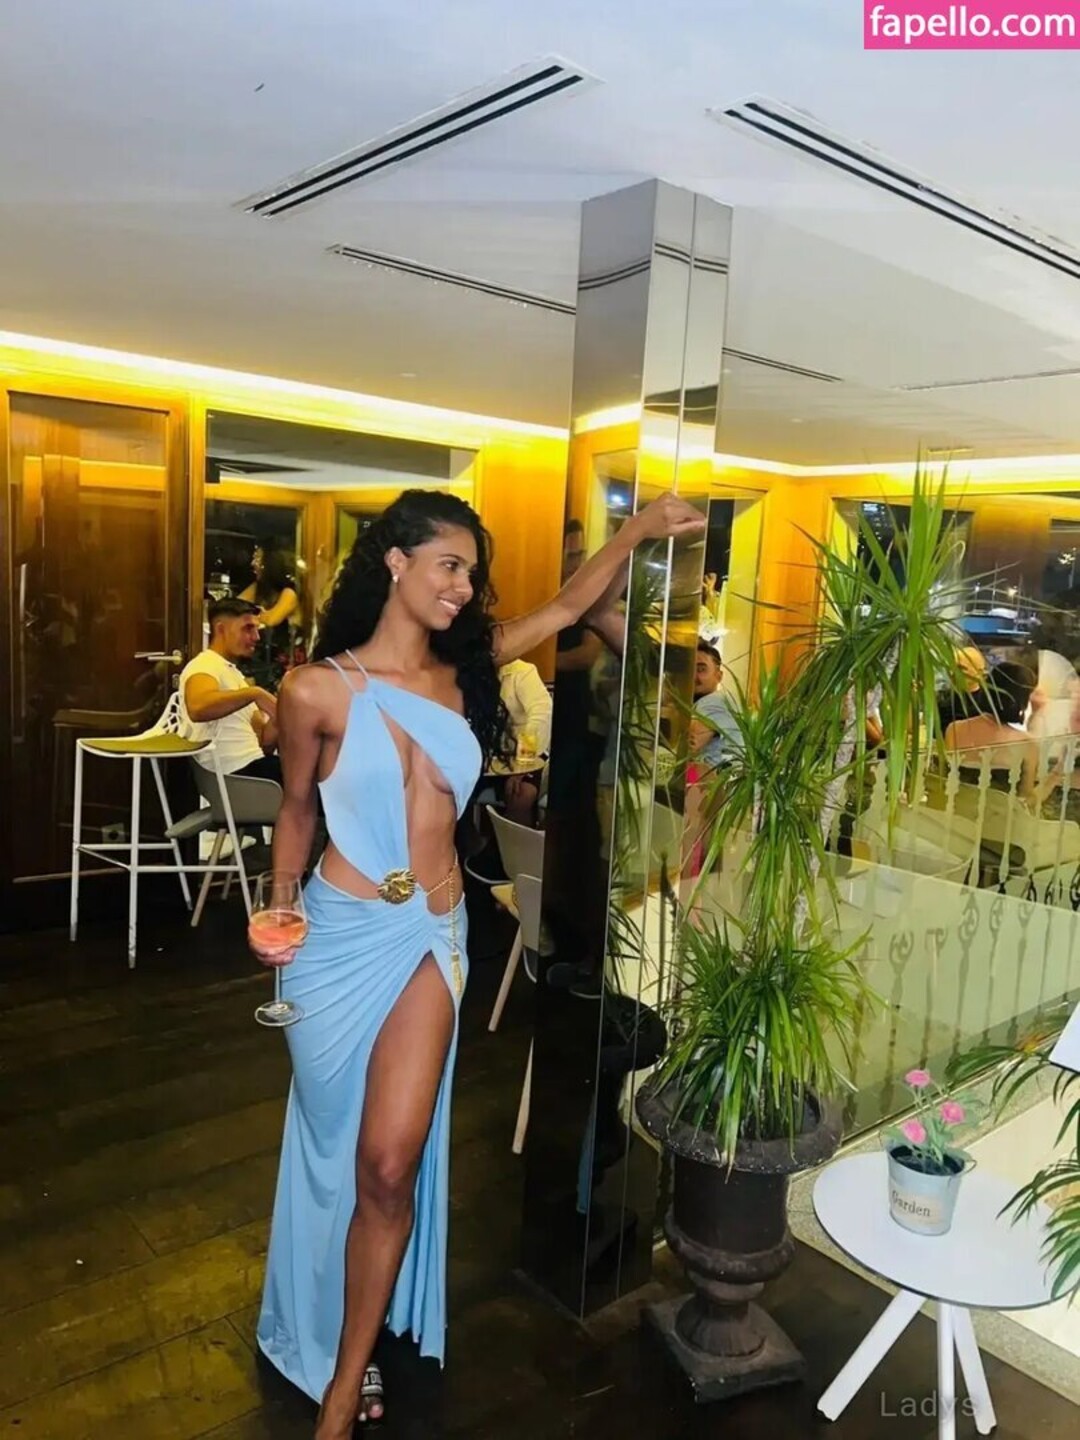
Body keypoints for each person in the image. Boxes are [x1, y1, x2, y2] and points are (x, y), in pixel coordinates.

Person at [248, 488, 704, 1436]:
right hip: (337, 938)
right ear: (396, 562)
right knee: (333, 1147)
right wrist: (280, 905)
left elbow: (568, 606)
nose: (463, 587)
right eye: (448, 565)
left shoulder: (470, 671)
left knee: (389, 1164)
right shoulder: (315, 690)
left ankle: (345, 1383)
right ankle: (312, 1314)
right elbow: (295, 810)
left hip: (433, 934)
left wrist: (634, 530)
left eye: (471, 572)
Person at [178, 598, 281, 781]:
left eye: (257, 629)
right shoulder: (205, 665)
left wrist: (279, 715)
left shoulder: (234, 674)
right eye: (248, 628)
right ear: (221, 629)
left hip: (254, 765)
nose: (256, 637)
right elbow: (198, 707)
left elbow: (264, 743)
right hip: (234, 773)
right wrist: (255, 693)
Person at [240, 545, 303, 692]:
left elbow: (271, 620)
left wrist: (256, 615)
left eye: (258, 559)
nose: (253, 564)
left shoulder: (289, 592)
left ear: (270, 565)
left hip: (284, 663)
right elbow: (235, 607)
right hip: (262, 660)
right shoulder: (259, 589)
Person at [498, 657, 553, 824]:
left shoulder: (522, 672)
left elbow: (541, 714)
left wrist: (522, 764)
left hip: (528, 755)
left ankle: (512, 840)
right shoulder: (469, 673)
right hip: (492, 756)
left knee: (520, 794)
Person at [689, 641, 738, 771]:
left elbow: (688, 747)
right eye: (689, 669)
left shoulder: (713, 701)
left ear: (719, 676)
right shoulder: (723, 701)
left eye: (701, 670)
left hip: (718, 780)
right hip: (715, 777)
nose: (693, 676)